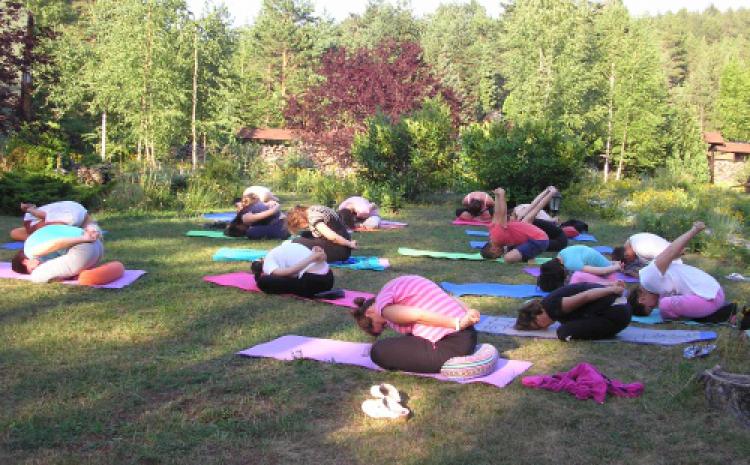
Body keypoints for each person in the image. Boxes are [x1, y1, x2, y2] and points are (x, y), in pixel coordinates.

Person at [349, 275, 481, 373]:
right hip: (469, 335)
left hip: (450, 346)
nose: (387, 324)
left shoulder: (382, 307)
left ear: (369, 313)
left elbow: (418, 315)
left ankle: (460, 364)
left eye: (382, 325)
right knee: (406, 340)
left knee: (378, 351)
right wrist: (468, 312)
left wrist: (457, 323)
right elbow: (450, 298)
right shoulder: (395, 286)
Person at [628, 222, 726, 321]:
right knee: (665, 301)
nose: (655, 305)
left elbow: (671, 251)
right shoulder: (650, 282)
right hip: (711, 293)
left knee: (665, 306)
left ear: (642, 299)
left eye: (651, 307)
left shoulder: (649, 280)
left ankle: (720, 314)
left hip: (710, 297)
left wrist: (694, 230)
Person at [514, 282, 632, 341]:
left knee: (564, 332)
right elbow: (585, 286)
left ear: (536, 315)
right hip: (618, 310)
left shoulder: (553, 306)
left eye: (537, 325)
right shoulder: (551, 306)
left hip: (617, 312)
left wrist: (612, 289)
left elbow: (586, 296)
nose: (542, 328)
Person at [480, 187, 553, 263]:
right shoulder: (493, 233)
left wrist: (501, 195)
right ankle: (527, 254)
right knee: (508, 252)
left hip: (539, 240)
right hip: (531, 239)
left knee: (508, 258)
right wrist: (497, 197)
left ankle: (529, 255)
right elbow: (497, 214)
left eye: (497, 255)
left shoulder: (498, 237)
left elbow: (502, 214)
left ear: (493, 249)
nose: (499, 256)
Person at [11, 224, 104, 283]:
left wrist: (84, 239)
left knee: (36, 276)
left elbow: (56, 243)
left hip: (84, 248)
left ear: (24, 261)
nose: (36, 267)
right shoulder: (35, 240)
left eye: (31, 269)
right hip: (98, 247)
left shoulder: (30, 251)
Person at [250, 243, 334, 297]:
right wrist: (315, 256)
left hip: (313, 282)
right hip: (329, 277)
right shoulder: (282, 246)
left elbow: (289, 271)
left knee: (262, 282)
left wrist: (312, 258)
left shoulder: (267, 264)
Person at [537, 245, 624, 292]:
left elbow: (603, 271)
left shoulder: (571, 264)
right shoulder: (561, 255)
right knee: (575, 276)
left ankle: (611, 285)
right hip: (606, 269)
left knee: (577, 277)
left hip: (608, 277)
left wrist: (616, 267)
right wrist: (613, 264)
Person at [286, 205, 357, 263]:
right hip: (342, 244)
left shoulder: (313, 218)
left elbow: (333, 237)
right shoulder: (315, 209)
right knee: (305, 234)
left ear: (299, 220)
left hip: (340, 251)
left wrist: (350, 244)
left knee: (296, 241)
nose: (301, 227)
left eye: (298, 226)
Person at [11, 200, 95, 241]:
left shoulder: (71, 217)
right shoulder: (75, 215)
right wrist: (30, 209)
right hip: (77, 210)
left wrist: (29, 209)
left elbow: (41, 214)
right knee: (15, 233)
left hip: (74, 214)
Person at [224, 193, 289, 240]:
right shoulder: (248, 220)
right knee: (251, 232)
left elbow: (271, 212)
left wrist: (276, 206)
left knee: (252, 232)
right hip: (281, 223)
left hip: (281, 223)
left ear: (238, 225)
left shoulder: (246, 218)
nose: (243, 230)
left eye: (239, 230)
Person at [611, 232, 678, 276]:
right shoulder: (630, 241)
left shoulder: (640, 250)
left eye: (630, 262)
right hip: (669, 251)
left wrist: (632, 273)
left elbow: (651, 274)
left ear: (626, 256)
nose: (632, 261)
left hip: (673, 265)